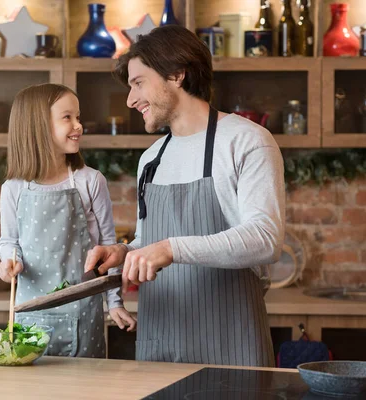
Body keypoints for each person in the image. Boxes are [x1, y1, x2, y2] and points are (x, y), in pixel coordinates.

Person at [84, 25, 285, 367]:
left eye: (138, 83)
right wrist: (125, 252)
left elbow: (266, 239)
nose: (131, 100)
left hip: (230, 347)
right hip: (160, 345)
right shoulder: (151, 159)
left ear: (177, 74)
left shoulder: (246, 141)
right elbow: (151, 242)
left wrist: (169, 248)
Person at [0, 83, 136, 358]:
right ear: (37, 126)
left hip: (84, 317)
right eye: (67, 117)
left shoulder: (90, 181)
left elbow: (107, 249)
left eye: (78, 117)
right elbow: (10, 242)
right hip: (30, 318)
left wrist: (115, 303)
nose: (78, 125)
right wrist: (7, 264)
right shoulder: (13, 188)